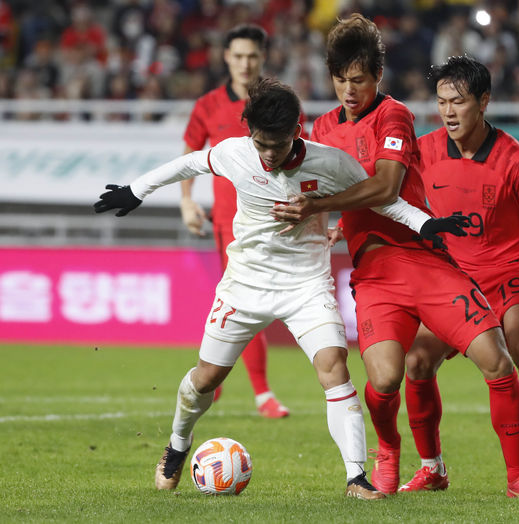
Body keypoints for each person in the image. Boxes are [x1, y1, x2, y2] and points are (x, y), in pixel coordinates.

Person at [93, 78, 469, 499]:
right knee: (206, 379)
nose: (269, 155)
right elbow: (191, 163)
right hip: (244, 283)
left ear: (297, 130)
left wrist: (425, 223)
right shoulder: (236, 153)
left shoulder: (331, 164)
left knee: (334, 368)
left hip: (305, 284)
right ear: (249, 133)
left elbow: (383, 200)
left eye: (277, 145)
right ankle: (177, 447)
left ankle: (355, 478)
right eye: (261, 145)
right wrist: (136, 190)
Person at [271, 14, 519, 499]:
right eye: (340, 80)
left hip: (425, 260)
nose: (348, 90)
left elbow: (386, 185)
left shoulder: (394, 115)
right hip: (375, 273)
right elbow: (313, 184)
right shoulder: (320, 127)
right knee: (383, 380)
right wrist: (323, 220)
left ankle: (518, 477)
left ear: (377, 76)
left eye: (358, 80)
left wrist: (319, 205)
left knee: (496, 359)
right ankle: (389, 457)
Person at [401, 55, 519, 492]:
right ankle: (432, 468)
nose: (448, 111)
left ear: (484, 101)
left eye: (459, 102)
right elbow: (392, 201)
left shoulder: (516, 161)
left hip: (510, 268)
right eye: (442, 102)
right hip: (454, 277)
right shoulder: (424, 152)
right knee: (415, 361)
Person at [179, 24, 290, 418]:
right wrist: (187, 201)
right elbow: (190, 153)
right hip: (231, 224)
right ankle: (261, 394)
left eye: (252, 56)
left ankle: (213, 377)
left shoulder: (280, 103)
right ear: (226, 57)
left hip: (279, 220)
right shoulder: (208, 105)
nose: (245, 63)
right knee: (247, 302)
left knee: (248, 303)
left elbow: (304, 152)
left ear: (263, 58)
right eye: (238, 56)